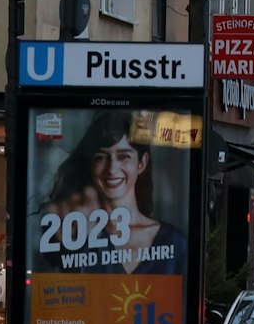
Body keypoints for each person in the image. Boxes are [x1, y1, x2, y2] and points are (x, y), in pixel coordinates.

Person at [40, 111, 187, 275]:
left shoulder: (174, 243)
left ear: (141, 163)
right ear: (90, 164)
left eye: (124, 156)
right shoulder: (74, 232)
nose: (112, 169)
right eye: (101, 157)